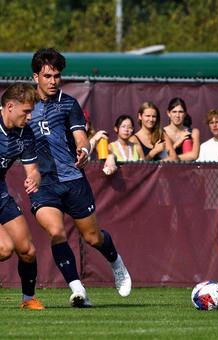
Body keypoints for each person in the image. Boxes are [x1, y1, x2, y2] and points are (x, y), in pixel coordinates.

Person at [29, 47, 131, 308]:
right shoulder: (25, 105)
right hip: (43, 182)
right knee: (56, 231)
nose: (53, 81)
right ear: (35, 77)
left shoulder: (68, 103)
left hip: (73, 179)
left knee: (92, 237)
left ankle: (115, 261)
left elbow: (80, 136)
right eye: (47, 76)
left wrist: (84, 150)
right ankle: (77, 289)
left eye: (57, 76)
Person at [0, 83, 44, 310]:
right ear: (9, 106)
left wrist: (34, 177)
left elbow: (32, 169)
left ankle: (28, 299)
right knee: (4, 249)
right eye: (25, 111)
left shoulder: (25, 133)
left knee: (27, 251)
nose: (29, 116)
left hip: (1, 195)